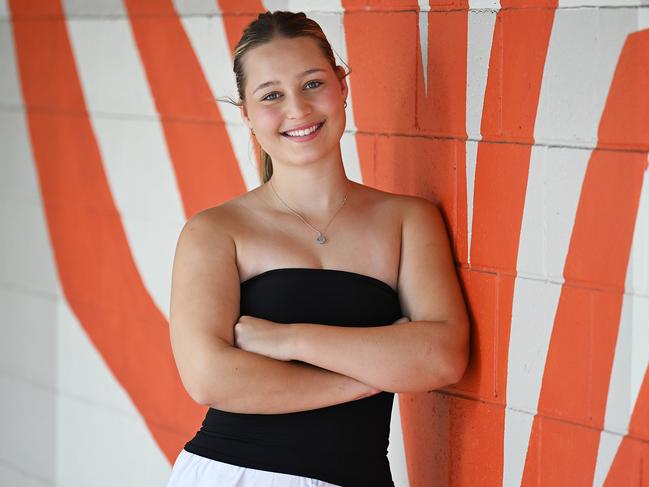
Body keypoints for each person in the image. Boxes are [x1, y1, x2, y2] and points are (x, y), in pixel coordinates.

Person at [165, 10, 470, 487]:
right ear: (246, 112)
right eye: (271, 95)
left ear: (342, 84)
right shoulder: (217, 231)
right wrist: (367, 378)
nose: (299, 110)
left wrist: (290, 340)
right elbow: (210, 378)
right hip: (238, 475)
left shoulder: (407, 219)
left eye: (312, 84)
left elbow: (442, 357)